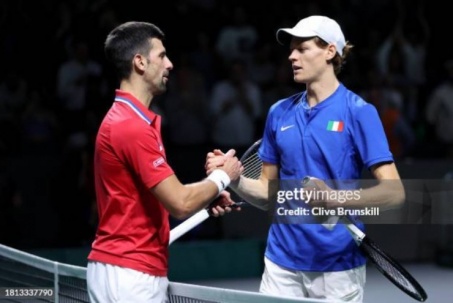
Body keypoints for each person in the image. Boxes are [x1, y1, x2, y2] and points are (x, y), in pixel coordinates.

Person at [206, 15, 405, 302]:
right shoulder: (278, 113)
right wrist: (233, 178)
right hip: (280, 263)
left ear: (329, 51)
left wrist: (336, 200)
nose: (291, 56)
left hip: (336, 267)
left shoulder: (359, 112)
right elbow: (267, 194)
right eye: (291, 49)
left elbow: (394, 192)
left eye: (302, 48)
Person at [86, 21, 243, 303]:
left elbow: (159, 198)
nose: (170, 64)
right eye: (162, 56)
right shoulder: (130, 126)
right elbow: (180, 202)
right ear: (140, 62)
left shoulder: (131, 120)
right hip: (129, 276)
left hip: (129, 269)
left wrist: (206, 198)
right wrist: (223, 176)